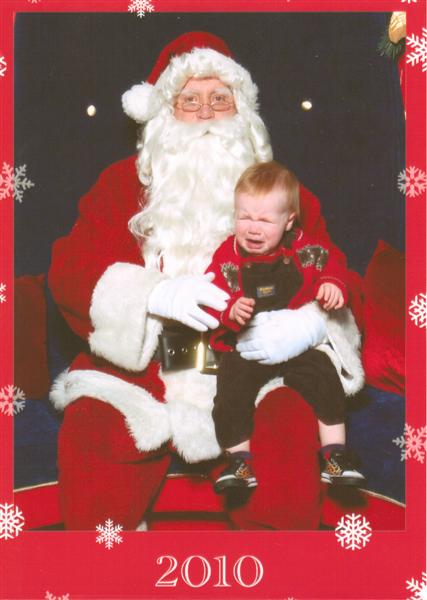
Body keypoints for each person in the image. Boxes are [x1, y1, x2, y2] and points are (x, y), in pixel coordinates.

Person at [48, 31, 363, 530]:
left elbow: (329, 265)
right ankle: (105, 566)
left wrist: (308, 324)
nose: (206, 114)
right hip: (144, 375)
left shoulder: (280, 192)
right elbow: (71, 270)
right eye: (189, 100)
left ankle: (278, 568)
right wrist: (154, 295)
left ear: (242, 112)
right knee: (93, 433)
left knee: (285, 433)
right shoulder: (119, 184)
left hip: (255, 367)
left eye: (220, 99)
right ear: (164, 113)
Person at [203, 161, 365, 494]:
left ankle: (335, 455)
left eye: (264, 220)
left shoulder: (305, 248)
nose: (253, 229)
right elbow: (213, 294)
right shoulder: (227, 256)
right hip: (248, 348)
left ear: (289, 220)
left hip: (296, 344)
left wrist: (333, 284)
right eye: (244, 217)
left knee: (323, 372)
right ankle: (238, 461)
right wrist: (230, 310)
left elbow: (332, 263)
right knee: (230, 384)